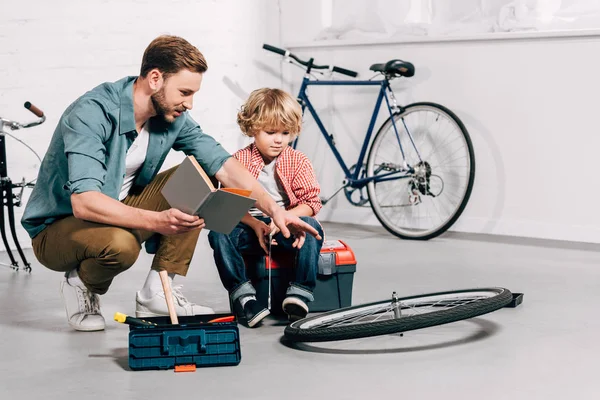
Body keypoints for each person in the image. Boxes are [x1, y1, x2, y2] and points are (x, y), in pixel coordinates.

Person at [21, 36, 321, 332]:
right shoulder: (92, 113)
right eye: (185, 92)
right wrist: (158, 220)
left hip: (122, 208)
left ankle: (156, 294)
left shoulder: (171, 115)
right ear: (155, 78)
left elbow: (225, 167)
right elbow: (84, 201)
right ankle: (80, 283)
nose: (189, 103)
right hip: (61, 226)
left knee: (198, 179)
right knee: (121, 246)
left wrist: (273, 210)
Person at [208, 88, 324, 327]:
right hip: (250, 228)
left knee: (312, 228)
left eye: (285, 132)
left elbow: (311, 203)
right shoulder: (238, 161)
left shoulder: (298, 161)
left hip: (286, 227)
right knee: (218, 232)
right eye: (270, 132)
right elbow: (228, 204)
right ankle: (244, 296)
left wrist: (286, 218)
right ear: (252, 129)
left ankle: (300, 292)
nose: (279, 139)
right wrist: (255, 224)